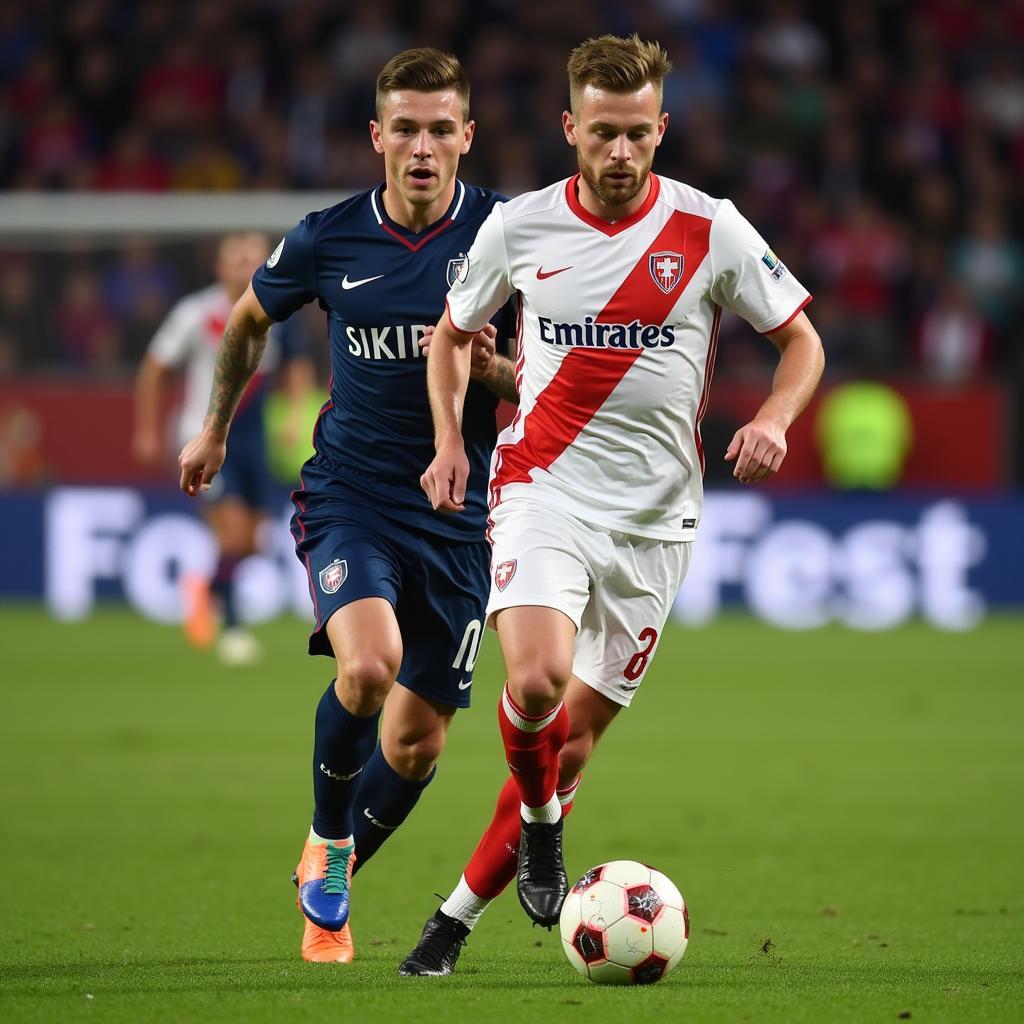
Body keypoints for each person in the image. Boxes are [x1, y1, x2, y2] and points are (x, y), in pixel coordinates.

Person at [408, 33, 825, 976]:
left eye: (638, 134)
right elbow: (451, 337)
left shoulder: (710, 227)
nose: (621, 153)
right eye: (603, 133)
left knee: (575, 740)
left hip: (655, 522)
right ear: (570, 128)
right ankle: (547, 826)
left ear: (662, 128)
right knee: (538, 683)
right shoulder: (519, 226)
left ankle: (451, 921)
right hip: (542, 489)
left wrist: (775, 419)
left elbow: (803, 342)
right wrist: (446, 440)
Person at [176, 49, 518, 964]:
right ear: (377, 137)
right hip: (353, 497)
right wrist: (214, 429)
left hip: (464, 517)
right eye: (404, 128)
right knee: (369, 670)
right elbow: (248, 322)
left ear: (466, 138)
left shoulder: (511, 236)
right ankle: (329, 846)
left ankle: (333, 866)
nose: (421, 146)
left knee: (415, 746)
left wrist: (496, 373)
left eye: (440, 128)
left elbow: (551, 384)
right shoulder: (330, 238)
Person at [134, 233, 313, 664]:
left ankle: (206, 589)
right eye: (237, 259)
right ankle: (232, 627)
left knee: (251, 542)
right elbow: (155, 368)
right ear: (219, 267)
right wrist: (147, 429)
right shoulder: (195, 313)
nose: (246, 266)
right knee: (232, 529)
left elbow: (296, 366)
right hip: (204, 435)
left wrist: (292, 417)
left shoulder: (275, 311)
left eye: (254, 257)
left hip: (254, 438)